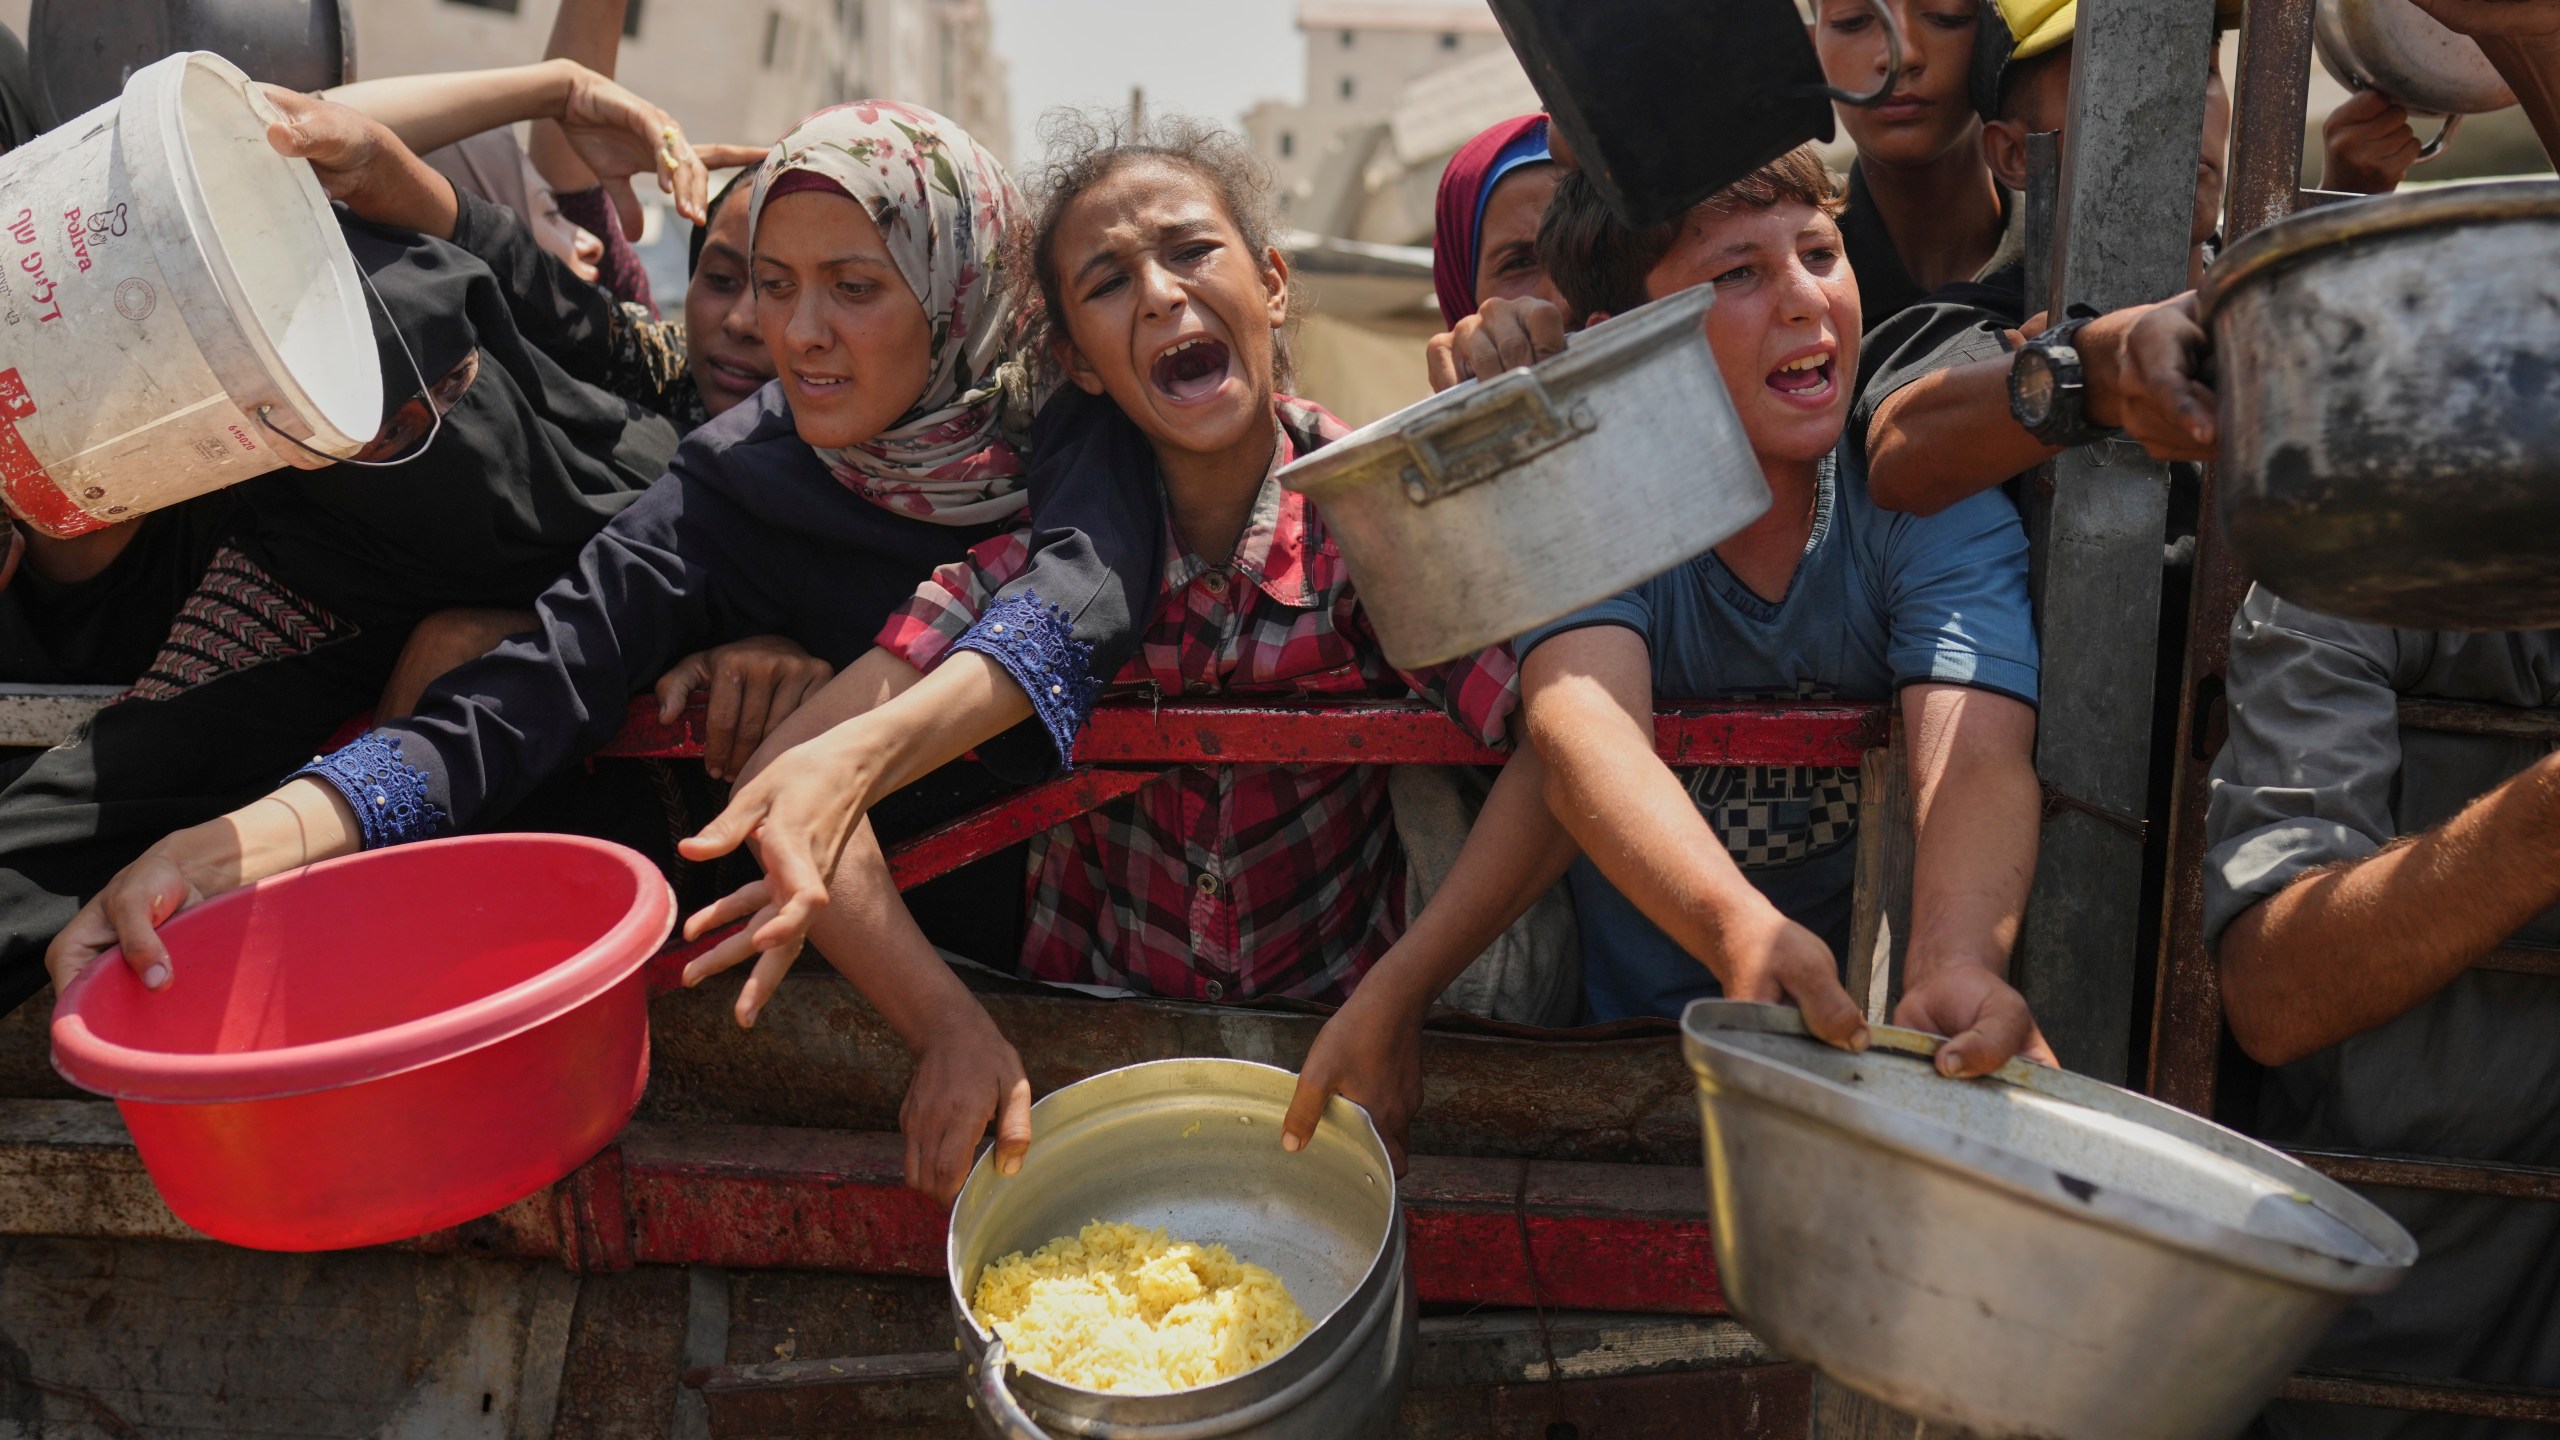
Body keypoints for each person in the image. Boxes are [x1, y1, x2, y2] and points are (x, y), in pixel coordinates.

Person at [44, 100, 1154, 1020]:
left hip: (1084, 938)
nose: (798, 332)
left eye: (854, 287)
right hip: (767, 972)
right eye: (772, 283)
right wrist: (236, 849)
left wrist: (849, 749)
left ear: (959, 284)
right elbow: (517, 698)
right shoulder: (737, 474)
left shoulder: (1062, 410)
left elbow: (1083, 585)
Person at [670, 114, 1578, 1194]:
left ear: (1273, 286)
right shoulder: (1038, 564)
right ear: (1077, 364)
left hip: (1338, 1034)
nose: (1157, 294)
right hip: (1089, 1048)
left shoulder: (1375, 520)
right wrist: (944, 1027)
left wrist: (1399, 995)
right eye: (1106, 281)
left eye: (1193, 250)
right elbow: (807, 777)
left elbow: (1562, 750)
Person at [0, 85, 711, 1015]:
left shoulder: (715, 484)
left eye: (848, 286)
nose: (766, 317)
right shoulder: (624, 357)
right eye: (736, 276)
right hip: (303, 531)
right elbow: (235, 153)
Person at [1512, 151, 2053, 1075]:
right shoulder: (1589, 492)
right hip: (1615, 1063)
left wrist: (1953, 962)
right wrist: (1739, 929)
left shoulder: (1920, 494)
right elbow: (1582, 734)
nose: (1806, 299)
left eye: (1820, 251)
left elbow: (1977, 758)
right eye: (1737, 274)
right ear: (1623, 342)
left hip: (1843, 1057)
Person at [1811, 0, 2024, 331]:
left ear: (1997, 32)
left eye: (1945, 17)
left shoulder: (2089, 241)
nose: (1902, 55)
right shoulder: (1790, 284)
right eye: (1852, 21)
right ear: (1813, 48)